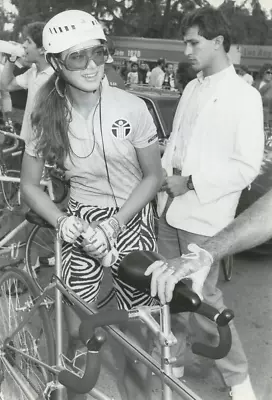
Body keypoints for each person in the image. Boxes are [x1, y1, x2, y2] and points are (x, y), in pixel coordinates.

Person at [20, 9, 162, 400]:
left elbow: (154, 176)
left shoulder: (133, 108)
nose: (92, 65)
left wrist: (114, 225)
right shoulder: (44, 114)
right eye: (76, 57)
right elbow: (29, 187)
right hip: (79, 219)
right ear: (56, 62)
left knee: (137, 336)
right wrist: (62, 222)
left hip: (131, 218)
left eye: (98, 52)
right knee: (77, 331)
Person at [148, 7, 264, 400]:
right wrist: (162, 180)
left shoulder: (245, 96)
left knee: (203, 302)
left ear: (218, 42)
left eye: (193, 42)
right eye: (185, 42)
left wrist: (190, 182)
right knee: (168, 290)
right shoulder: (192, 88)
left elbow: (247, 166)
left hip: (207, 216)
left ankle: (239, 381)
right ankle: (173, 359)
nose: (186, 50)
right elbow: (179, 144)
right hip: (170, 208)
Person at [0, 22, 53, 143]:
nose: (23, 45)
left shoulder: (56, 75)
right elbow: (7, 85)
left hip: (47, 146)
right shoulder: (32, 72)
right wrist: (11, 58)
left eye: (28, 41)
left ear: (42, 49)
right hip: (28, 143)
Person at [253, 63, 272, 127]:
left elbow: (267, 99)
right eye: (268, 72)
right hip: (253, 115)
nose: (270, 75)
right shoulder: (255, 83)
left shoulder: (271, 85)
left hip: (266, 118)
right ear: (263, 72)